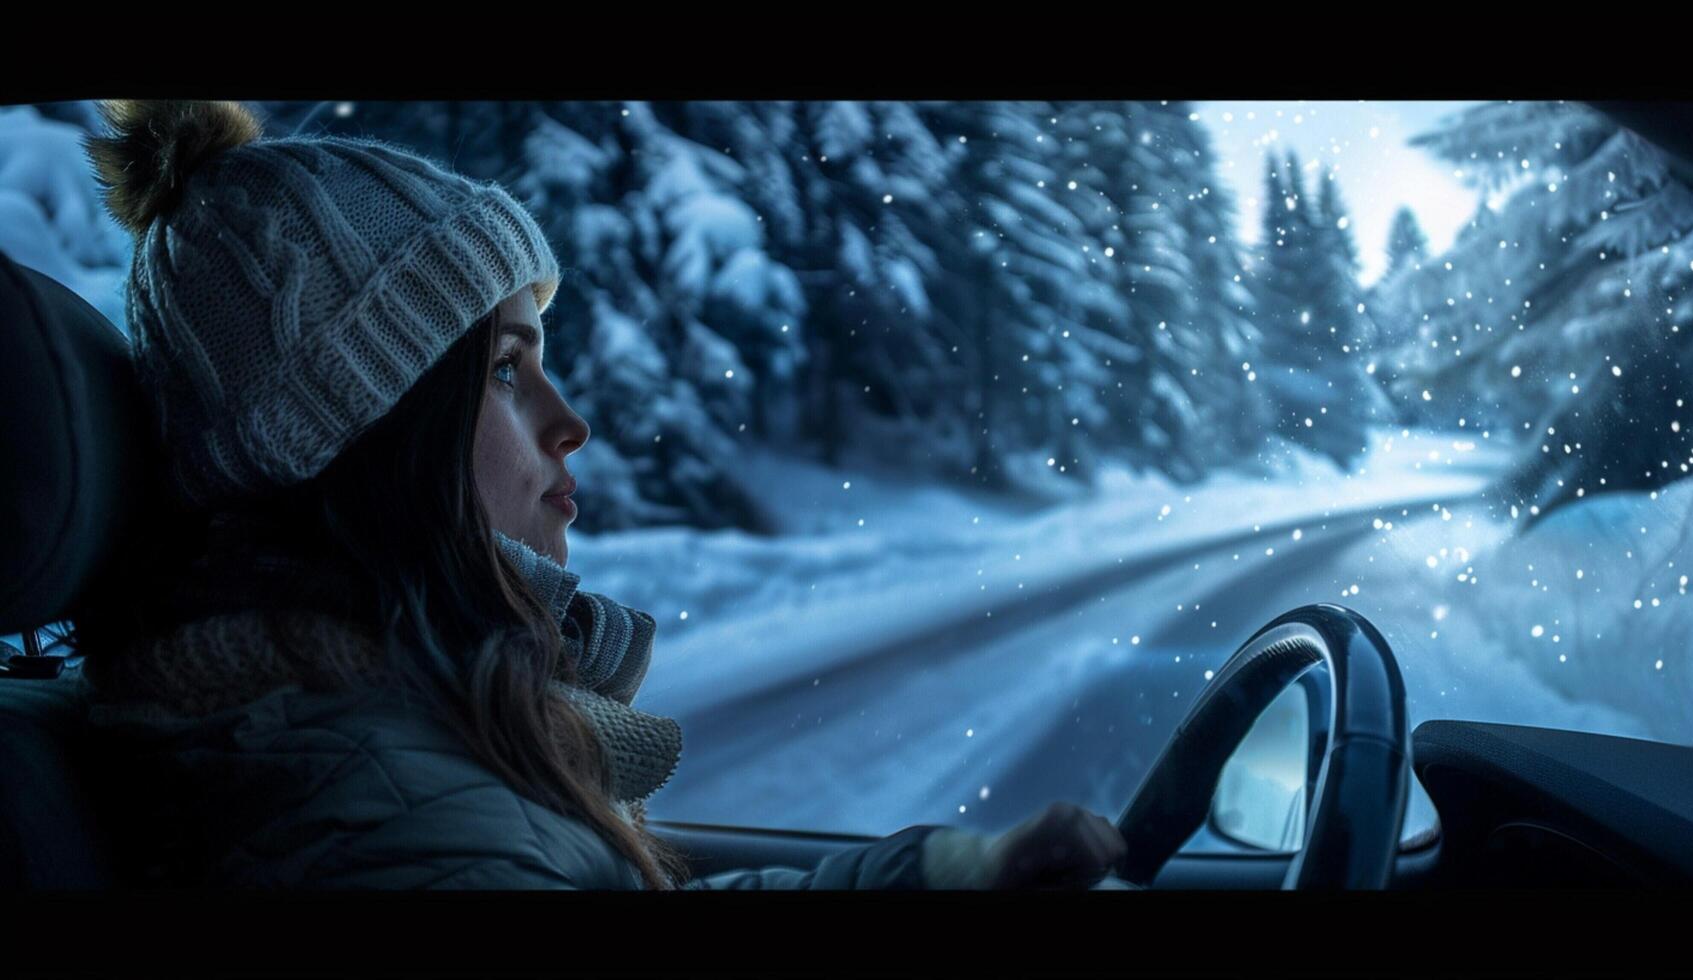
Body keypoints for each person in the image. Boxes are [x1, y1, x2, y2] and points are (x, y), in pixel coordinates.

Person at [68, 100, 1133, 890]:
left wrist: (950, 873)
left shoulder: (383, 728)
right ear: (357, 433)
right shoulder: (380, 806)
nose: (570, 419)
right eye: (502, 368)